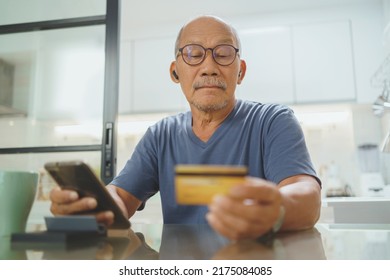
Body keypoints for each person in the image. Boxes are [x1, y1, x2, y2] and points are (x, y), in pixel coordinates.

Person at [50, 15, 321, 241]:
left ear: (240, 71)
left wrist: (277, 209)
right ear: (175, 71)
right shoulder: (161, 136)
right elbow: (120, 195)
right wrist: (95, 205)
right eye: (193, 54)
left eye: (223, 54)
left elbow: (306, 194)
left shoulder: (272, 121)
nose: (209, 67)